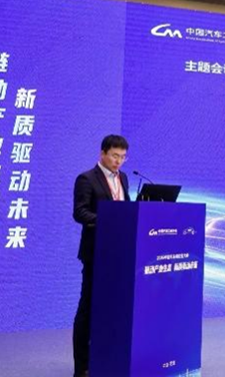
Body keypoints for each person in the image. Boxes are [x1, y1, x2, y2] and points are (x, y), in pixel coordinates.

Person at [72, 135, 130, 377]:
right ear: (103, 153)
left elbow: (126, 210)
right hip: (96, 253)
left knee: (115, 309)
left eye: (123, 157)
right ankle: (82, 367)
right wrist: (109, 219)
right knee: (88, 308)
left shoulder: (123, 178)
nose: (119, 161)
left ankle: (107, 360)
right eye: (115, 156)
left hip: (120, 255)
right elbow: (80, 213)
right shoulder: (86, 179)